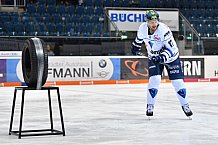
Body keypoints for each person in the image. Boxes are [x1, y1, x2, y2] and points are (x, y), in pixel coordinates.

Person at [131, 10, 193, 118]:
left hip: (171, 58)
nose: (154, 24)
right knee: (154, 80)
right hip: (154, 57)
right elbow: (138, 39)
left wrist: (161, 57)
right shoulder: (142, 28)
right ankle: (150, 105)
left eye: (155, 21)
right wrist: (135, 47)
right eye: (151, 22)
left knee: (177, 82)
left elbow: (172, 50)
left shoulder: (164, 30)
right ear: (147, 22)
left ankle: (185, 105)